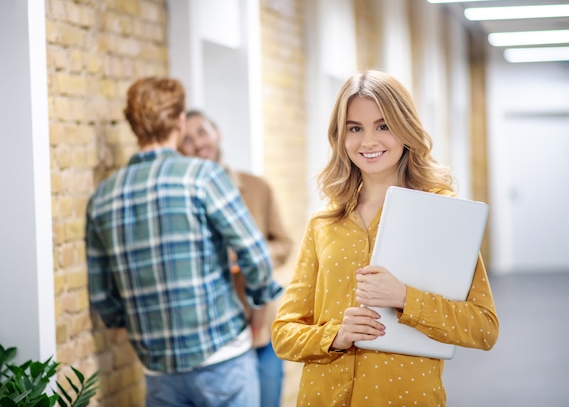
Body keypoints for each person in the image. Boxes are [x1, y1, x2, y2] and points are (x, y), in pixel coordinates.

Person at [271, 70, 499, 407]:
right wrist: (334, 335)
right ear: (341, 136)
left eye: (383, 125)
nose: (368, 142)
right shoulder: (324, 222)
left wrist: (406, 298)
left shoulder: (442, 215)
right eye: (355, 128)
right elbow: (283, 334)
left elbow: (483, 328)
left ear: (405, 129)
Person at [85, 77, 282, 407]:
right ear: (178, 121)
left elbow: (103, 294)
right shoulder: (203, 177)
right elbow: (257, 256)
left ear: (134, 127)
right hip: (223, 358)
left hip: (158, 368)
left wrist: (124, 321)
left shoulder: (103, 197)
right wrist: (258, 305)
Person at [179, 111, 293, 407]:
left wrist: (252, 255)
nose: (197, 143)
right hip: (215, 335)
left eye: (202, 132)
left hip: (260, 326)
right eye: (187, 139)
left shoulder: (257, 187)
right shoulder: (183, 199)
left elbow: (284, 242)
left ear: (217, 133)